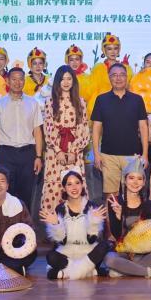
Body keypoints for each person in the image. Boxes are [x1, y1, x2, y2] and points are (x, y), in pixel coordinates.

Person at [105, 156, 151, 278]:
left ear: (144, 182)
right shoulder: (115, 202)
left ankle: (125, 270)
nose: (135, 182)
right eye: (131, 178)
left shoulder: (148, 204)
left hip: (144, 252)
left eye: (139, 178)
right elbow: (116, 235)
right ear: (125, 180)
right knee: (109, 258)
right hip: (125, 251)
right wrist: (119, 217)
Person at [0, 64, 44, 208]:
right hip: (6, 154)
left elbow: (37, 131)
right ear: (7, 81)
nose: (17, 82)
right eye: (14, 79)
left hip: (28, 154)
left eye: (20, 79)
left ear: (24, 81)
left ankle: (25, 222)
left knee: (26, 194)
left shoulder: (33, 103)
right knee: (6, 196)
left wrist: (38, 156)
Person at [91, 61, 149, 196]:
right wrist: (96, 154)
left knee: (133, 194)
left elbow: (143, 127)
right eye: (114, 75)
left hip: (133, 156)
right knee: (111, 196)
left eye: (122, 75)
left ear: (127, 77)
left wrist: (145, 154)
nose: (118, 78)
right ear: (109, 78)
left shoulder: (137, 99)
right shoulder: (101, 100)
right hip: (108, 156)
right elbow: (96, 128)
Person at [40, 168, 110, 280]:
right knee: (51, 256)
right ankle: (88, 271)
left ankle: (66, 273)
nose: (74, 187)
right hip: (67, 253)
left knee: (104, 246)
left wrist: (93, 223)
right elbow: (62, 242)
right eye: (69, 184)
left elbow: (91, 240)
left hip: (87, 252)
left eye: (77, 183)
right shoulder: (60, 209)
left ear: (82, 185)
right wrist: (56, 225)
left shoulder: (92, 207)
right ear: (64, 188)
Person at [40, 65, 91, 214]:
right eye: (63, 79)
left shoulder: (80, 102)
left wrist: (74, 151)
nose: (66, 82)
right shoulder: (50, 102)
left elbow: (83, 128)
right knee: (55, 187)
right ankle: (53, 224)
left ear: (74, 81)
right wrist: (58, 151)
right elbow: (48, 127)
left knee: (75, 185)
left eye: (69, 79)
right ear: (57, 81)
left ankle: (78, 222)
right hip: (55, 153)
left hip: (74, 152)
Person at [86, 33, 134, 115]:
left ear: (118, 50)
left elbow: (130, 89)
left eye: (115, 48)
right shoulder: (98, 68)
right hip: (102, 107)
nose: (113, 52)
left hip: (121, 106)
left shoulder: (127, 69)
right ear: (104, 50)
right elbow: (92, 89)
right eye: (109, 49)